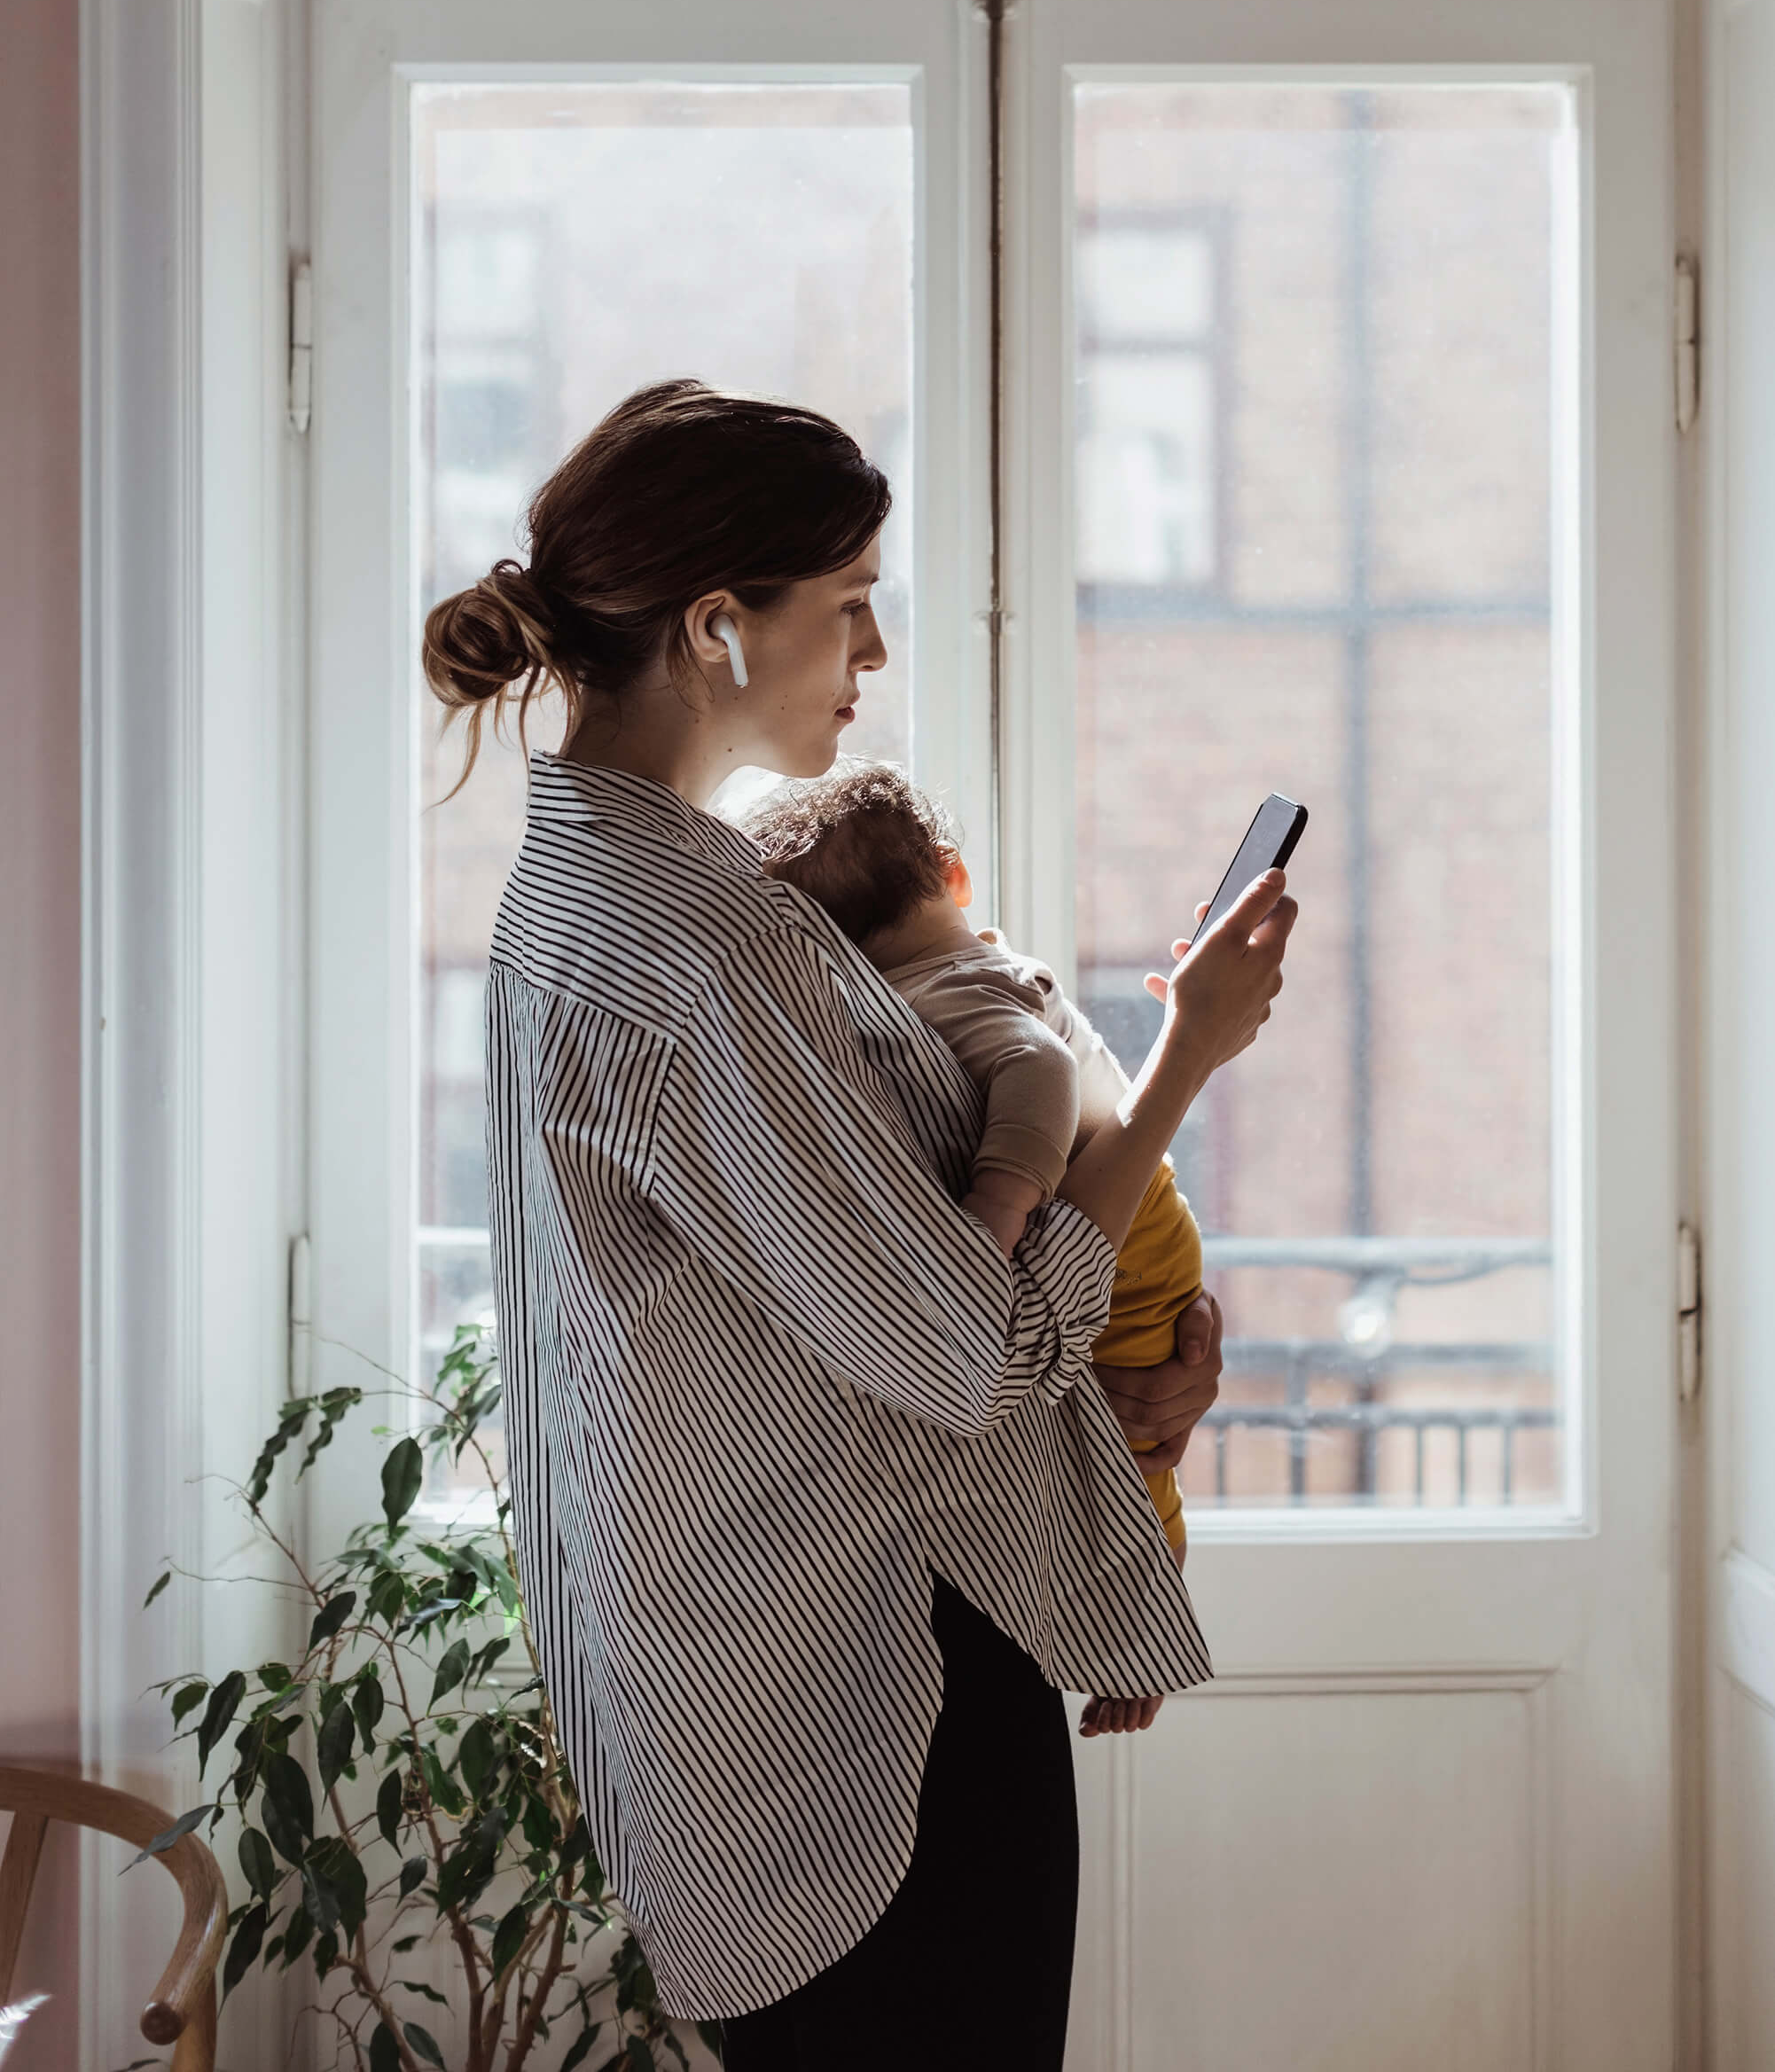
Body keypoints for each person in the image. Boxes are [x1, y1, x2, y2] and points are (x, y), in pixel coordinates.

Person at [421, 378, 1296, 2071]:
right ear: (715, 628)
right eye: (846, 606)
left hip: (781, 1683)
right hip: (866, 1718)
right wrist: (1189, 1049)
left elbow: (839, 1314)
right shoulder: (705, 943)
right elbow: (967, 1355)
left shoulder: (606, 892)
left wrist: (1101, 1395)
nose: (873, 654)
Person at [739, 760, 1207, 1741]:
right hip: (1139, 1211)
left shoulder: (936, 992)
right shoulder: (978, 959)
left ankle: (1144, 1613)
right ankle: (1142, 1608)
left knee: (1125, 1449)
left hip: (1124, 1231)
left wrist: (999, 1202)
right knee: (1130, 1434)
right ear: (951, 875)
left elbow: (1034, 1069)